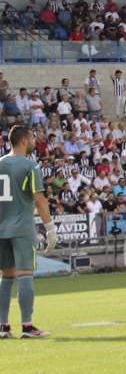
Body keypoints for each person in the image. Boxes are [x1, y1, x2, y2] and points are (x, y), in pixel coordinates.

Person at [0, 125, 57, 338]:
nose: (34, 141)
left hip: (0, 228)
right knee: (25, 275)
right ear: (24, 140)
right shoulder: (30, 165)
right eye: (32, 137)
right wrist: (50, 228)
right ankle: (27, 326)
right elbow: (40, 200)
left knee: (5, 276)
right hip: (21, 228)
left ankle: (3, 326)